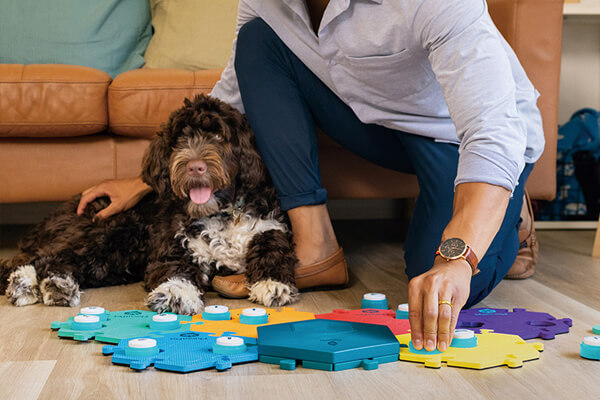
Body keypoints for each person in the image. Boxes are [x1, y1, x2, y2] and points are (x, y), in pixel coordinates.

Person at [77, 0, 543, 353]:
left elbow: (491, 128)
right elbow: (237, 90)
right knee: (260, 40)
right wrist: (147, 179)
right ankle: (316, 245)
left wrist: (458, 257)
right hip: (374, 124)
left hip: (458, 137)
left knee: (438, 280)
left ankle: (511, 203)